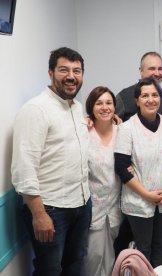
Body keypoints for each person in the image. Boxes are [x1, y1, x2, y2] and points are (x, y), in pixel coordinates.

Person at [11, 47, 91, 275]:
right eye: (64, 70)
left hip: (81, 203)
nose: (71, 76)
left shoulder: (76, 107)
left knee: (75, 264)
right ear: (50, 72)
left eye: (77, 71)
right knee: (50, 269)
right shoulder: (36, 110)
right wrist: (39, 214)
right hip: (51, 209)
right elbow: (23, 168)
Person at [114, 77, 162, 267]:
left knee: (161, 244)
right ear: (137, 100)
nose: (150, 99)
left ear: (160, 98)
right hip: (139, 199)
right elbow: (121, 167)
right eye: (145, 95)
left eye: (154, 95)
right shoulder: (127, 128)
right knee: (143, 247)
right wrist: (147, 195)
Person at [83, 87, 122, 276]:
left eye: (108, 103)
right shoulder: (85, 132)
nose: (104, 107)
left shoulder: (122, 131)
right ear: (91, 107)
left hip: (116, 205)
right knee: (93, 256)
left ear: (115, 107)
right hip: (92, 207)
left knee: (110, 256)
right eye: (99, 103)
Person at [116, 51, 162, 121]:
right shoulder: (124, 96)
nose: (157, 73)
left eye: (160, 69)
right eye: (152, 69)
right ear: (141, 71)